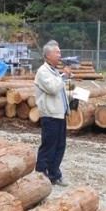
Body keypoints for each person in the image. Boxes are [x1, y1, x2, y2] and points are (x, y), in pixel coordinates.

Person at [34, 41, 72, 186]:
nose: (60, 55)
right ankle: (40, 175)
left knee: (60, 146)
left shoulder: (55, 71)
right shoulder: (43, 72)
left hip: (60, 114)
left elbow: (64, 89)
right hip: (50, 115)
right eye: (57, 52)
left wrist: (67, 78)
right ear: (48, 55)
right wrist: (63, 76)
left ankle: (54, 174)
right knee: (48, 145)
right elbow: (52, 88)